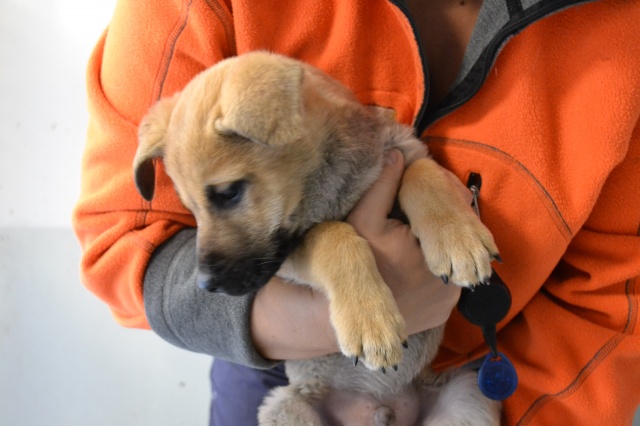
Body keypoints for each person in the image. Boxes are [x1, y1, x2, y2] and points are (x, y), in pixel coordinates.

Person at [72, 0, 640, 424]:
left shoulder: (620, 31)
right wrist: (328, 312)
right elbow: (123, 239)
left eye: (228, 195)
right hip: (284, 373)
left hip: (474, 380)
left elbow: (608, 303)